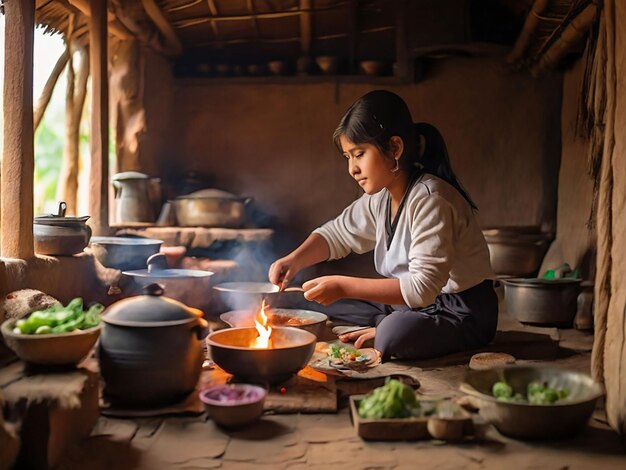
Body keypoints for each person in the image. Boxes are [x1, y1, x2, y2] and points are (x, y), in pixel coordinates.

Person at [268, 90, 497, 361]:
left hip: (460, 312)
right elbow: (337, 234)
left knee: (391, 336)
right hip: (416, 306)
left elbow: (422, 288)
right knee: (305, 301)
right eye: (347, 157)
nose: (352, 168)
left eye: (359, 154)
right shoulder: (379, 198)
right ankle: (389, 321)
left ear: (395, 148)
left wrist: (344, 286)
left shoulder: (430, 199)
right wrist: (294, 260)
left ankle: (388, 326)